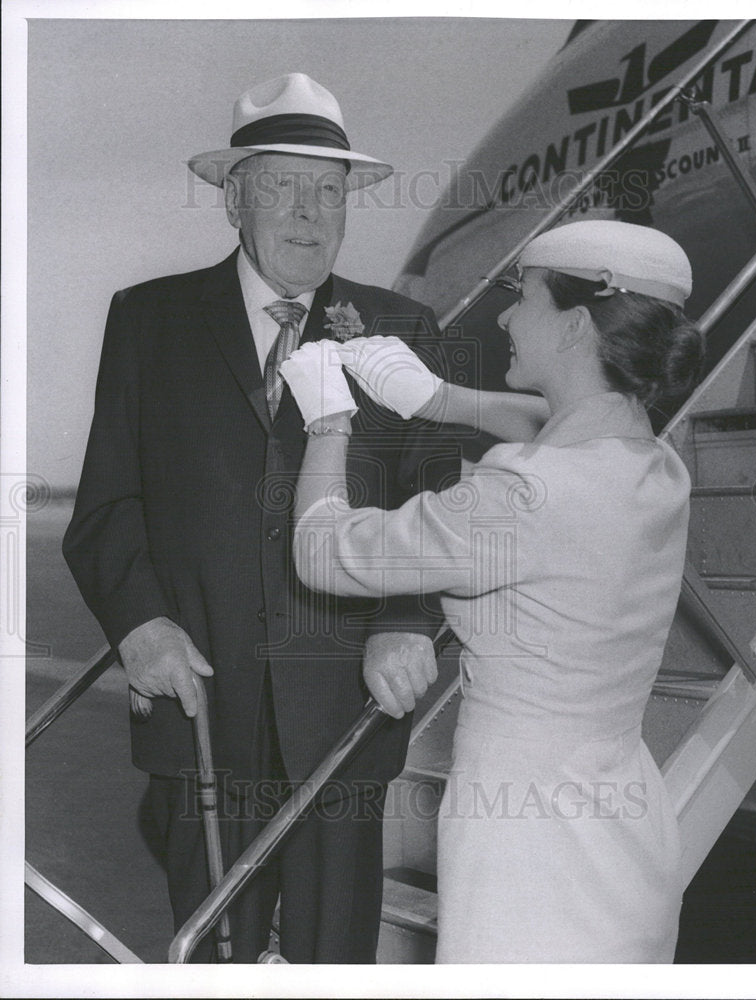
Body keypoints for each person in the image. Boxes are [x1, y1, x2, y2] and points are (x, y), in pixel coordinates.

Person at [62, 73, 461, 963]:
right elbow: (106, 509)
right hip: (200, 703)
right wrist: (140, 626)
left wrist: (405, 623)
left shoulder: (403, 326)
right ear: (234, 198)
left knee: (334, 960)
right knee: (209, 957)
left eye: (330, 190)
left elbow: (437, 508)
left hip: (345, 712)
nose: (308, 212)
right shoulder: (148, 321)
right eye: (283, 185)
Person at [282, 220, 705, 962]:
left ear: (575, 326)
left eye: (525, 299)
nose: (506, 316)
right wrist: (439, 398)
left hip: (525, 840)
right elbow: (562, 423)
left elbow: (322, 549)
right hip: (623, 820)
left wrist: (329, 420)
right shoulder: (654, 464)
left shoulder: (525, 493)